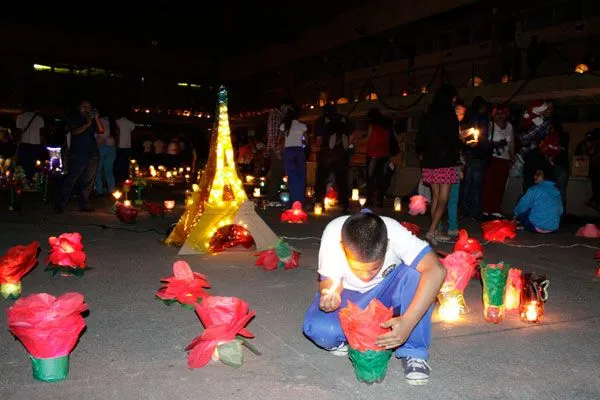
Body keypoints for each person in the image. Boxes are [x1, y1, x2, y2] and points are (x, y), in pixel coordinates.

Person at [303, 211, 446, 385]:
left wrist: (409, 322)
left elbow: (437, 269)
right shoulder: (333, 233)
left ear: (386, 246)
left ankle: (413, 351)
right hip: (350, 296)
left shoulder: (395, 232)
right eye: (358, 268)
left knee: (418, 272)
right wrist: (330, 294)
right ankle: (360, 333)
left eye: (373, 268)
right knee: (320, 330)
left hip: (388, 291)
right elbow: (329, 281)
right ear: (343, 247)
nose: (365, 276)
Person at [415, 84, 461, 245]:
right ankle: (431, 231)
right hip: (446, 160)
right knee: (443, 199)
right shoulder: (450, 115)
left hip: (429, 160)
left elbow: (420, 138)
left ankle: (435, 232)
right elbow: (454, 139)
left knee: (435, 196)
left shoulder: (428, 114)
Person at [55, 100, 104, 213]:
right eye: (84, 106)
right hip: (78, 153)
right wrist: (87, 124)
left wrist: (96, 118)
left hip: (92, 153)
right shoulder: (75, 118)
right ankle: (60, 205)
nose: (87, 108)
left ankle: (84, 204)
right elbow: (75, 132)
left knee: (88, 180)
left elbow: (101, 130)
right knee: (71, 179)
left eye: (89, 106)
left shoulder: (92, 119)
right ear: (79, 107)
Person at [314, 104, 353, 210]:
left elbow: (318, 140)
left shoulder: (322, 121)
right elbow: (352, 136)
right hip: (342, 155)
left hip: (326, 155)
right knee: (342, 182)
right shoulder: (344, 119)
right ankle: (344, 205)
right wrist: (346, 148)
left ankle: (319, 204)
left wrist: (320, 147)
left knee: (322, 180)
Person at [482, 105, 515, 218]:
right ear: (493, 115)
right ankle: (486, 209)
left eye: (503, 113)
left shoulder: (509, 126)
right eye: (498, 113)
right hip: (492, 158)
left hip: (504, 159)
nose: (501, 116)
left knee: (500, 185)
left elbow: (511, 143)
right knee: (489, 184)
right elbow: (485, 141)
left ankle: (496, 209)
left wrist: (512, 157)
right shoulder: (490, 125)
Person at [461, 96, 490, 220]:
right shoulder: (479, 119)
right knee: (476, 185)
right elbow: (477, 138)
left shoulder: (468, 118)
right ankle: (475, 211)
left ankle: (466, 210)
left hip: (471, 155)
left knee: (468, 184)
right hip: (477, 155)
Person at [447, 100, 467, 236]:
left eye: (462, 113)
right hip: (446, 164)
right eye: (457, 112)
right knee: (441, 198)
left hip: (456, 165)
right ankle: (440, 224)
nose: (460, 115)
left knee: (452, 197)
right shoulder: (448, 127)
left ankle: (452, 225)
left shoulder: (458, 127)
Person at [280, 106, 307, 204]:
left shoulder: (284, 125)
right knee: (300, 175)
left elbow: (281, 139)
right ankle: (300, 200)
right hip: (299, 151)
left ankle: (293, 200)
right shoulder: (302, 126)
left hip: (288, 151)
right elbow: (306, 140)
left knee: (291, 176)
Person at [266, 100, 291, 204]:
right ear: (283, 105)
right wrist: (277, 151)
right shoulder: (276, 115)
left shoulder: (280, 116)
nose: (288, 110)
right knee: (276, 174)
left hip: (279, 148)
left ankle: (275, 196)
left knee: (278, 173)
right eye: (288, 108)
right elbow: (273, 136)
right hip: (278, 149)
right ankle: (272, 198)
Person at [365, 109, 391, 207]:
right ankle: (380, 200)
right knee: (381, 178)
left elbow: (367, 139)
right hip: (384, 155)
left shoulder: (372, 126)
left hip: (373, 154)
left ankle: (369, 200)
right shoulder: (387, 127)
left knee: (370, 178)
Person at [15, 105, 45, 183]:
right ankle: (33, 180)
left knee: (24, 162)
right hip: (36, 143)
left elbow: (19, 131)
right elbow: (41, 133)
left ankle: (25, 180)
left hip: (24, 143)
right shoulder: (39, 118)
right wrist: (42, 144)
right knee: (34, 162)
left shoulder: (20, 117)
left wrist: (17, 142)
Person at [95, 115, 116, 196]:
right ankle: (111, 189)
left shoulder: (98, 120)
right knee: (109, 170)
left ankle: (99, 190)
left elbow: (101, 134)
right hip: (112, 147)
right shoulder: (112, 121)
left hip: (102, 147)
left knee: (97, 171)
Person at [115, 111, 135, 183]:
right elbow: (132, 129)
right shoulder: (130, 123)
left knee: (117, 162)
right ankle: (125, 178)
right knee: (126, 163)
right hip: (127, 145)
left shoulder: (117, 121)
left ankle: (118, 178)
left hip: (119, 145)